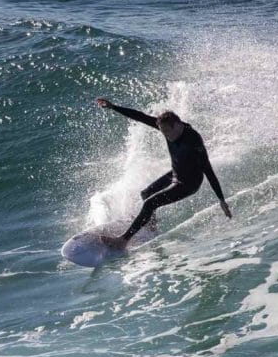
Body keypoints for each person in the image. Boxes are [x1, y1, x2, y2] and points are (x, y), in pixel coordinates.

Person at [96, 98, 232, 250]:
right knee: (146, 193)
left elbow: (208, 170)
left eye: (167, 131)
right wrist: (113, 107)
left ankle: (122, 241)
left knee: (150, 203)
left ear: (177, 125)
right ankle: (151, 226)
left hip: (189, 183)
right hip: (176, 173)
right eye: (162, 131)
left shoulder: (193, 140)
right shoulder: (166, 126)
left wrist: (221, 200)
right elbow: (140, 116)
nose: (165, 135)